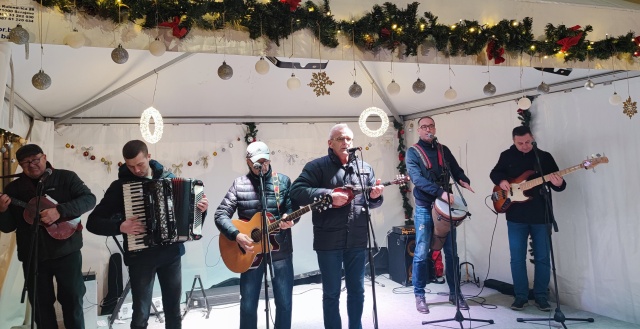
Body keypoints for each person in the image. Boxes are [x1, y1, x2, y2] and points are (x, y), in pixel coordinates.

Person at [87, 140, 209, 329]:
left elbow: (189, 222)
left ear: (149, 157)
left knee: (174, 312)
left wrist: (201, 210)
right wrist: (120, 226)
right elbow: (92, 222)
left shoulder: (168, 178)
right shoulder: (120, 187)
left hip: (171, 256)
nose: (136, 170)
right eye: (130, 166)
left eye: (140, 164)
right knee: (141, 314)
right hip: (141, 258)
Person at [290, 123, 384, 329]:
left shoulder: (364, 168)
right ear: (330, 143)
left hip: (357, 240)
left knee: (357, 291)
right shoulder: (317, 167)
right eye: (340, 139)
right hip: (328, 240)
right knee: (331, 293)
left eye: (349, 139)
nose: (345, 142)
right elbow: (296, 191)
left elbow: (373, 201)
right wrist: (329, 195)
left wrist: (376, 196)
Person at [0, 144, 96, 328]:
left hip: (67, 251)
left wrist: (60, 211)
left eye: (35, 160)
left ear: (44, 157)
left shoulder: (66, 178)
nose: (31, 165)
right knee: (40, 306)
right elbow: (7, 227)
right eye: (25, 162)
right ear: (20, 165)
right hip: (33, 255)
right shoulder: (14, 188)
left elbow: (89, 199)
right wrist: (2, 211)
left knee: (73, 301)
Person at [214, 141, 295, 329]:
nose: (262, 166)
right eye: (258, 163)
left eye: (265, 161)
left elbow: (292, 210)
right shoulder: (239, 184)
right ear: (248, 162)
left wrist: (290, 219)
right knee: (248, 305)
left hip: (279, 251)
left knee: (284, 303)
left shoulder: (282, 181)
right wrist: (236, 235)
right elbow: (220, 215)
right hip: (249, 253)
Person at [490, 125, 565, 311]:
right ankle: (520, 296)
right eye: (519, 143)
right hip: (515, 216)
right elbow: (495, 173)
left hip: (541, 214)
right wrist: (502, 181)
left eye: (527, 142)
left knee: (542, 258)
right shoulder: (506, 156)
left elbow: (558, 185)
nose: (524, 146)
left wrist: (560, 182)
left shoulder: (544, 157)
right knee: (517, 258)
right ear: (513, 141)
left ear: (533, 138)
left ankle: (541, 296)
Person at [405, 116, 474, 314]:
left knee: (452, 252)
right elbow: (417, 180)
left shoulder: (443, 149)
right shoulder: (413, 153)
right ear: (418, 130)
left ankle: (455, 293)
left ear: (435, 128)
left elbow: (455, 169)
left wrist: (463, 180)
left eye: (430, 126)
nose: (428, 129)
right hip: (425, 206)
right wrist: (440, 192)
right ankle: (419, 295)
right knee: (421, 251)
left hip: (445, 206)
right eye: (424, 127)